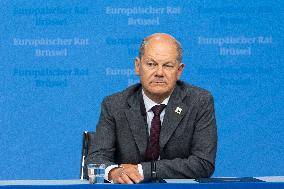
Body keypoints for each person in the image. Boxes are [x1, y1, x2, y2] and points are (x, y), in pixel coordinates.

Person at [85, 33, 217, 184]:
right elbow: (95, 159)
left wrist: (143, 170)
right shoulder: (114, 105)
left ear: (179, 71)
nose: (159, 73)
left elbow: (203, 163)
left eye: (167, 65)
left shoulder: (199, 102)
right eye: (151, 64)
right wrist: (115, 172)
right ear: (137, 66)